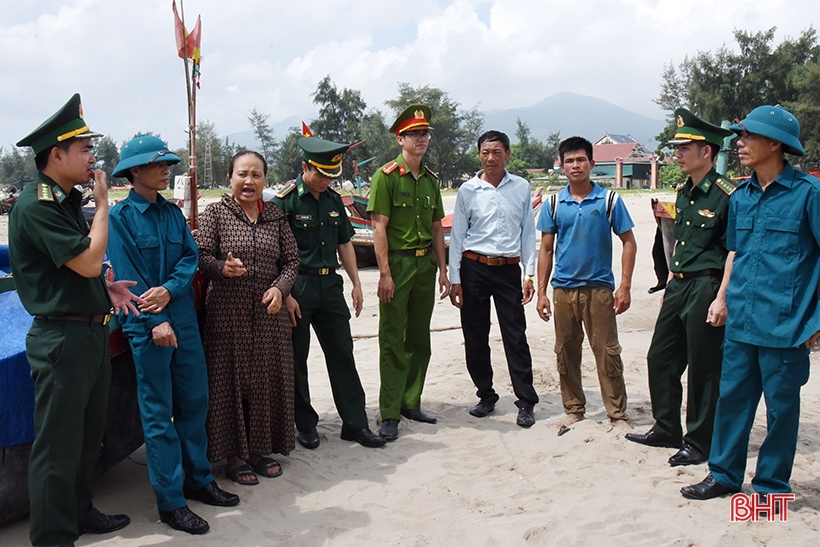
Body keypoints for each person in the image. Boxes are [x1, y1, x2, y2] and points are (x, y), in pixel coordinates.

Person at [9, 93, 143, 547]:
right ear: (56, 154)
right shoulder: (37, 203)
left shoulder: (64, 199)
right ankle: (52, 535)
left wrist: (105, 288)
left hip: (88, 330)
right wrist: (104, 205)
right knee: (57, 447)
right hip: (60, 338)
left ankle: (81, 511)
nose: (92, 156)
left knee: (88, 437)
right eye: (84, 149)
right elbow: (86, 261)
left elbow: (74, 272)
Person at [682, 105, 820, 501]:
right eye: (739, 136)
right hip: (742, 321)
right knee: (732, 402)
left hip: (786, 325)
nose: (738, 143)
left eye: (747, 137)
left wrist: (814, 321)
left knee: (781, 412)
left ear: (775, 144)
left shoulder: (808, 195)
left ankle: (771, 488)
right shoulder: (740, 196)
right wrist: (722, 298)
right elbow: (735, 254)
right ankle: (723, 475)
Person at [107, 136, 239, 535]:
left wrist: (171, 289)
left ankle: (198, 480)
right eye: (158, 164)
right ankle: (170, 501)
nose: (167, 169)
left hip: (180, 317)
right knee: (158, 413)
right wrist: (154, 319)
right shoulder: (121, 217)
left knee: (195, 401)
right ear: (134, 172)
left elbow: (189, 256)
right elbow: (128, 280)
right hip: (148, 325)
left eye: (167, 163)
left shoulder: (171, 213)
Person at [626, 108, 735, 467]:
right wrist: (670, 286)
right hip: (679, 284)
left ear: (707, 151)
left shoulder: (727, 195)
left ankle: (700, 441)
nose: (678, 152)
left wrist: (722, 298)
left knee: (704, 368)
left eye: (685, 146)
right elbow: (680, 245)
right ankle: (666, 427)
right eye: (677, 146)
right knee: (660, 357)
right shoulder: (683, 193)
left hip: (707, 287)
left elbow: (733, 250)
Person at [273, 137, 385, 450]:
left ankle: (355, 424)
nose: (326, 181)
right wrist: (285, 292)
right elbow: (274, 252)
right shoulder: (286, 201)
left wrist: (356, 282)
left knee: (342, 354)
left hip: (330, 287)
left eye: (331, 176)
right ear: (305, 167)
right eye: (320, 174)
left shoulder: (334, 200)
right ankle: (305, 424)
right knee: (297, 358)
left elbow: (344, 242)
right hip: (297, 288)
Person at [197, 150, 301, 484]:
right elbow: (200, 256)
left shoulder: (275, 216)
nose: (249, 181)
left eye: (256, 175)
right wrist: (220, 268)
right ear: (230, 177)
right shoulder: (216, 214)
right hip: (228, 317)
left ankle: (258, 450)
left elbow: (291, 261)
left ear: (264, 180)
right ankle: (234, 456)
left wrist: (280, 290)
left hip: (269, 318)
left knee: (264, 383)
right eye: (242, 173)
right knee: (230, 384)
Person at [535, 136, 636, 432]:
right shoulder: (554, 203)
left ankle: (617, 414)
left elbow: (629, 242)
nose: (575, 165)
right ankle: (574, 409)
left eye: (581, 160)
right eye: (569, 161)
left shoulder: (609, 200)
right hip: (563, 289)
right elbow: (546, 249)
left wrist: (625, 286)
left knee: (607, 352)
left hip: (599, 289)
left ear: (592, 163)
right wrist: (541, 293)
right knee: (565, 351)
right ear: (561, 166)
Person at [367, 103, 450, 441]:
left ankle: (410, 401)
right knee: (392, 339)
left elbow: (436, 229)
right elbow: (378, 229)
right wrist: (385, 274)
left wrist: (444, 271)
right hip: (398, 265)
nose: (422, 139)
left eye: (425, 133)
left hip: (424, 266)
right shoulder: (385, 177)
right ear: (400, 139)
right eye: (415, 134)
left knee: (419, 337)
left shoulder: (430, 181)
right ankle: (389, 412)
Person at [448, 130, 539, 427]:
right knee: (475, 335)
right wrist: (455, 279)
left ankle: (526, 401)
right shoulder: (468, 190)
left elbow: (527, 232)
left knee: (515, 334)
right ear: (479, 155)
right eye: (485, 152)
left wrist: (529, 273)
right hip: (474, 268)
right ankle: (486, 395)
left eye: (497, 152)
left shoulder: (521, 187)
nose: (491, 158)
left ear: (507, 154)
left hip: (509, 269)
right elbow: (458, 235)